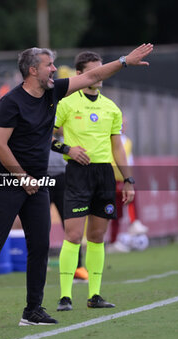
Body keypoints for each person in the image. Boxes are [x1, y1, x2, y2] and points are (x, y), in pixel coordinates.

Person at [0, 44, 153, 330]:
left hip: (38, 183)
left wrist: (125, 61)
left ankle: (32, 310)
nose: (54, 69)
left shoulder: (53, 91)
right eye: (48, 65)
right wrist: (21, 177)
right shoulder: (10, 102)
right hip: (7, 181)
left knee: (40, 246)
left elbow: (92, 76)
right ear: (32, 70)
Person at [55, 51, 142, 312]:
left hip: (104, 176)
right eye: (95, 71)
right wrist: (68, 149)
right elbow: (45, 137)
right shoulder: (66, 104)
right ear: (80, 75)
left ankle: (94, 295)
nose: (100, 75)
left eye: (101, 70)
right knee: (72, 235)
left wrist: (128, 180)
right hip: (77, 174)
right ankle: (65, 297)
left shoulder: (112, 107)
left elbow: (118, 148)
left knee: (97, 236)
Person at [48, 128, 88, 281]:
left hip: (63, 177)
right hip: (40, 177)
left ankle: (77, 266)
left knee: (72, 224)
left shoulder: (68, 114)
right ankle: (38, 265)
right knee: (39, 224)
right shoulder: (40, 112)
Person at [110, 118, 148, 252]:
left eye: (124, 125)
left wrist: (130, 178)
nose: (122, 127)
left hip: (125, 179)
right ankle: (114, 241)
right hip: (113, 180)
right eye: (121, 124)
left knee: (132, 199)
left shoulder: (128, 141)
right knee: (116, 212)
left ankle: (134, 223)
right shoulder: (109, 139)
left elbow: (129, 160)